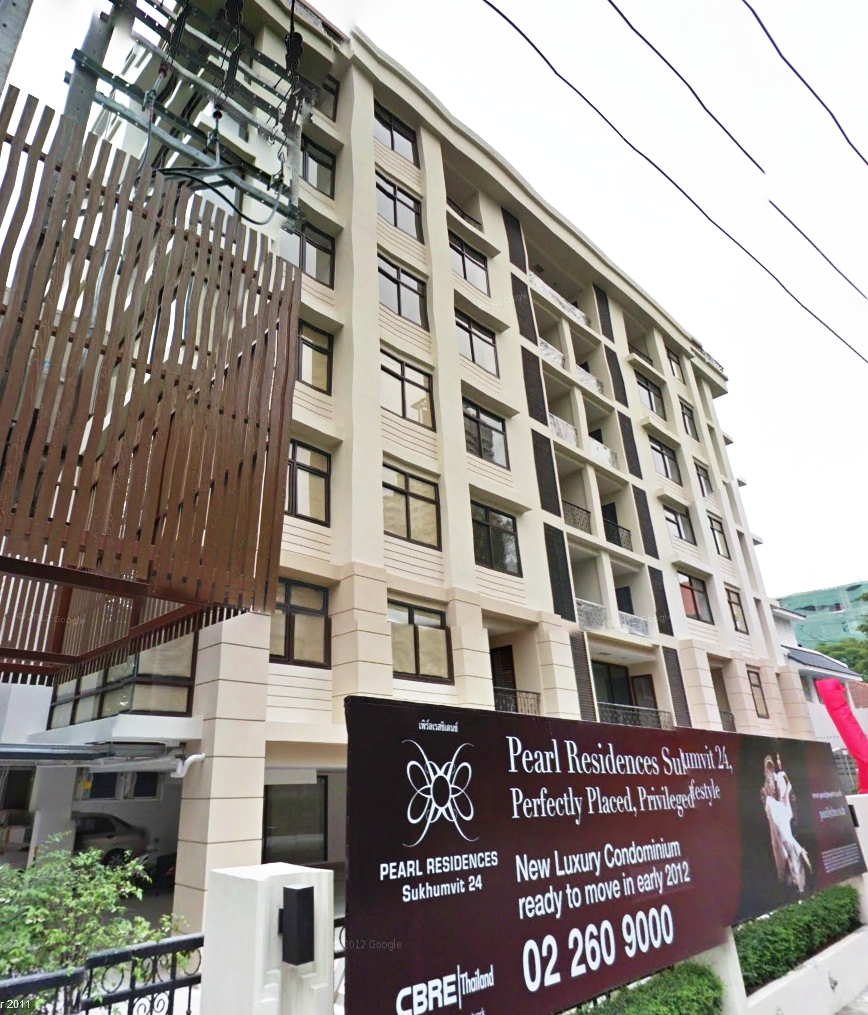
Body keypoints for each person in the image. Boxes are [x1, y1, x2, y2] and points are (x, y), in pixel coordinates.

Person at [761, 755, 811, 892]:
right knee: (784, 851)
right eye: (768, 767)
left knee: (790, 849)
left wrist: (785, 797)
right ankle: (791, 880)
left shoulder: (781, 779)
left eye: (772, 766)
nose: (770, 770)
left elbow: (788, 791)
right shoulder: (767, 791)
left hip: (784, 817)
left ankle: (798, 881)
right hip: (778, 822)